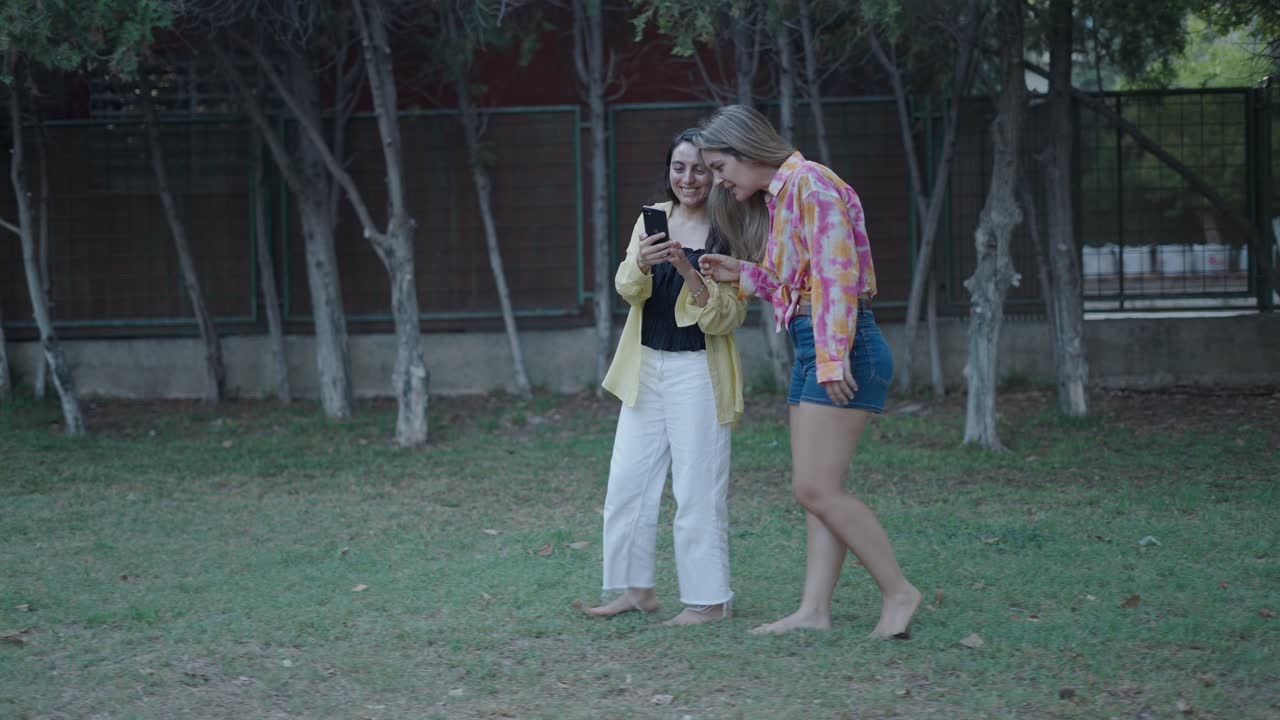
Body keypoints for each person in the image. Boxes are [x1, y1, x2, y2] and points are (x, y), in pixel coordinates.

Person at [694, 105, 921, 638]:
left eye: (721, 167)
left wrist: (831, 355)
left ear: (747, 152)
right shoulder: (787, 193)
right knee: (820, 488)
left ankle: (899, 591)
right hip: (815, 339)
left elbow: (838, 277)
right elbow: (797, 284)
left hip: (839, 342)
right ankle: (814, 611)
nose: (720, 182)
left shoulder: (810, 184)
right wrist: (745, 274)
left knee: (815, 489)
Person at [584, 129, 748, 626]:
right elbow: (626, 289)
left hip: (699, 372)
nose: (689, 178)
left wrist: (689, 270)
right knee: (627, 483)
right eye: (679, 167)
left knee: (697, 489)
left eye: (699, 168)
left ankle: (710, 601)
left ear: (715, 174)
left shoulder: (729, 231)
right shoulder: (652, 218)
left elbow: (728, 318)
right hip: (646, 366)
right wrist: (641, 261)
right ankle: (637, 591)